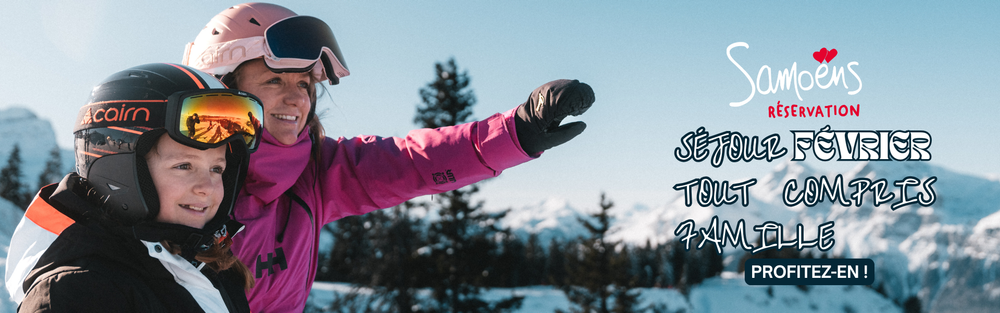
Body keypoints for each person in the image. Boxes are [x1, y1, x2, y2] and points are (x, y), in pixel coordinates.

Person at [181, 3, 596, 312]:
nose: (297, 98)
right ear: (223, 88)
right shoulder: (172, 177)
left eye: (306, 83)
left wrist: (517, 131)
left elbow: (410, 162)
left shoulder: (314, 170)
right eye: (274, 79)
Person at [5, 63, 266, 312]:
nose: (207, 188)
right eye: (184, 166)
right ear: (121, 172)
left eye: (217, 169)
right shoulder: (79, 293)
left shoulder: (211, 268)